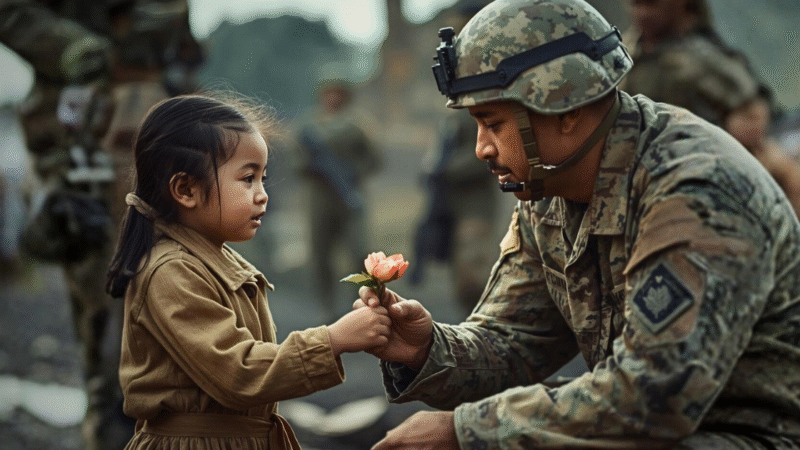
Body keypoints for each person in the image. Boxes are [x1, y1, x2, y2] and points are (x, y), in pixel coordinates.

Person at [354, 0, 800, 448]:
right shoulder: (551, 188)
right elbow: (513, 340)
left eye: (493, 123)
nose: (481, 149)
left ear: (564, 110)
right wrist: (427, 349)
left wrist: (467, 433)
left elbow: (653, 397)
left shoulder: (696, 192)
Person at [105, 93, 392, 449]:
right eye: (247, 179)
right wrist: (333, 340)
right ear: (185, 189)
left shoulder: (216, 260)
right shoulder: (172, 272)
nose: (262, 195)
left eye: (263, 178)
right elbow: (239, 373)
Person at [0, 2, 203, 449]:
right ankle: (112, 429)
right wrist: (74, 47)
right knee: (105, 316)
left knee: (182, 299)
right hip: (86, 143)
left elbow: (185, 48)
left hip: (163, 132)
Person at [622, 0, 800, 218]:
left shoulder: (700, 58)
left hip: (702, 176)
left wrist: (718, 146)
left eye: (651, 6)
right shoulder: (625, 52)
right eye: (637, 5)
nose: (643, 13)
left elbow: (753, 112)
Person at [411, 0, 500, 313]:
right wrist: (433, 165)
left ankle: (487, 332)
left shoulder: (493, 73)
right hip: (449, 195)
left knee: (473, 274)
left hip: (476, 194)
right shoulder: (453, 79)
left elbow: (496, 141)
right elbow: (445, 137)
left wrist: (447, 167)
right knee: (455, 269)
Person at [291, 78, 382, 321]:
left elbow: (374, 160)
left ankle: (362, 303)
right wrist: (312, 166)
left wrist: (352, 171)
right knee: (320, 254)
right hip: (320, 198)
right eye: (328, 93)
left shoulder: (358, 126)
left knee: (359, 252)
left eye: (338, 93)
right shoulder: (308, 126)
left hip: (349, 195)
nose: (333, 98)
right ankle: (327, 307)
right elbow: (296, 161)